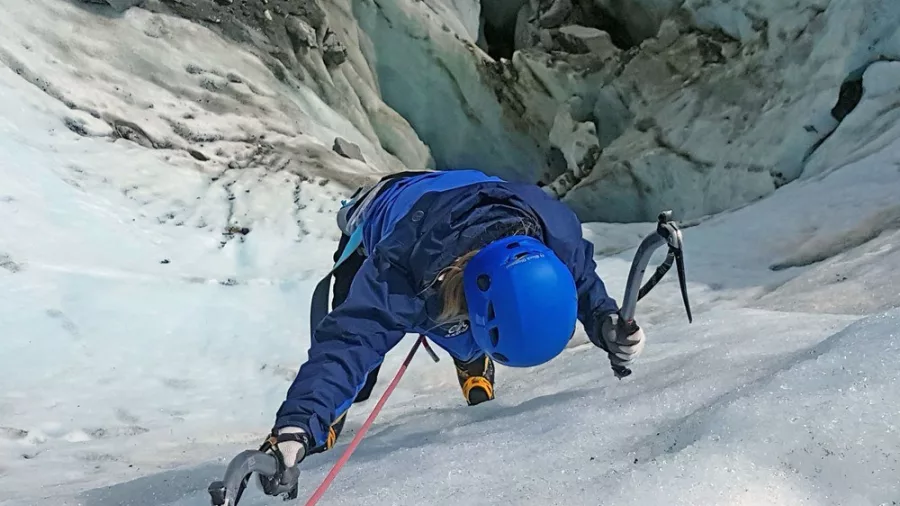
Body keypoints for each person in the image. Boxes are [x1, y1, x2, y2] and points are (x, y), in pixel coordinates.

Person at [259, 169, 646, 489]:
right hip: (388, 214)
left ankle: (470, 353)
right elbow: (350, 341)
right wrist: (299, 422)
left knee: (458, 323)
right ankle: (330, 412)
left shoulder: (554, 233)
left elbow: (582, 283)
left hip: (460, 198)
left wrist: (604, 321)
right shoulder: (399, 273)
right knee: (363, 376)